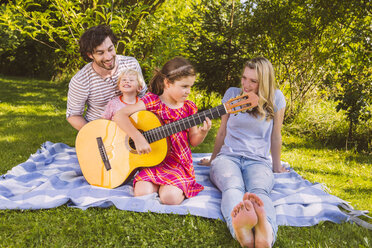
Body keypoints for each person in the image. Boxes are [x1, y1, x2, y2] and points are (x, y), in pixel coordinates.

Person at [198, 57, 288, 247]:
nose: (246, 85)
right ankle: (241, 231)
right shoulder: (232, 94)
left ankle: (267, 233)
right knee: (232, 186)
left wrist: (277, 166)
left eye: (253, 81)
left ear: (264, 82)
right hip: (227, 157)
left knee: (259, 190)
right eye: (244, 78)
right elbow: (222, 131)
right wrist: (213, 160)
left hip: (258, 160)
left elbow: (275, 136)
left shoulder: (276, 98)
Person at [113, 57, 212, 205]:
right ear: (167, 83)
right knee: (141, 193)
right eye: (184, 86)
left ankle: (169, 188)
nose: (188, 91)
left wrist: (202, 133)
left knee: (170, 198)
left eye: (190, 86)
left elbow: (194, 141)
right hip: (153, 162)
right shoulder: (152, 101)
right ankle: (159, 186)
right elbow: (119, 115)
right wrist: (138, 138)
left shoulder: (189, 108)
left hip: (178, 163)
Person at [66, 24, 147, 130]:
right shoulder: (81, 80)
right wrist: (98, 135)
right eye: (100, 53)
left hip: (135, 128)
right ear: (90, 55)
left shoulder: (131, 64)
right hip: (101, 133)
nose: (108, 57)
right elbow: (73, 115)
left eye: (110, 49)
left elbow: (143, 96)